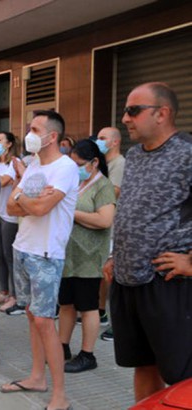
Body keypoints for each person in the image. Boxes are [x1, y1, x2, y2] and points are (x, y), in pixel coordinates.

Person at [103, 82, 191, 403]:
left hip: (166, 284)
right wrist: (116, 256)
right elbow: (129, 209)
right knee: (142, 365)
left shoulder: (187, 154)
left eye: (133, 110)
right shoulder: (135, 155)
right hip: (127, 283)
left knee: (180, 377)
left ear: (162, 113)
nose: (125, 118)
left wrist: (190, 261)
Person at [0, 110, 78, 410]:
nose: (28, 134)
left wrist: (26, 201)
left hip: (46, 253)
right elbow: (10, 205)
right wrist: (28, 201)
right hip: (23, 247)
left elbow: (43, 208)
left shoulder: (65, 168)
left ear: (52, 136)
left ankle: (60, 396)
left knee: (45, 321)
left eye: (34, 129)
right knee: (33, 316)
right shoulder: (32, 166)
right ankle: (36, 377)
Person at [58, 139, 116, 373]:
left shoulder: (103, 186)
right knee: (66, 303)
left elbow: (104, 220)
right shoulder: (76, 182)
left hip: (89, 257)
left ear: (93, 162)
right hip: (68, 255)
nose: (76, 169)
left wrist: (72, 213)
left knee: (88, 306)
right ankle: (62, 347)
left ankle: (87, 354)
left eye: (79, 164)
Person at [94, 126, 126, 340]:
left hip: (114, 227)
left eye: (103, 138)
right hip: (103, 227)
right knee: (103, 274)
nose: (99, 141)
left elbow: (113, 192)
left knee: (112, 276)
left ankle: (119, 324)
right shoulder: (105, 164)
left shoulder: (120, 164)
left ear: (115, 142)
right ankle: (101, 312)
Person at [0, 132, 23, 315]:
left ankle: (15, 294)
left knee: (10, 256)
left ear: (9, 144)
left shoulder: (14, 163)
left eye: (0, 140)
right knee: (0, 255)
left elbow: (3, 182)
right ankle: (3, 290)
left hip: (10, 216)